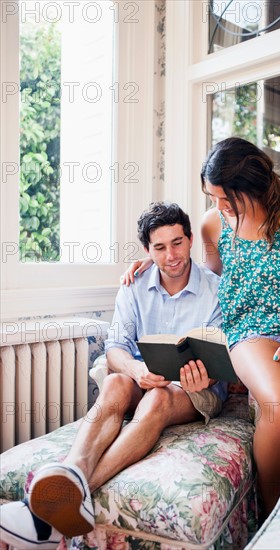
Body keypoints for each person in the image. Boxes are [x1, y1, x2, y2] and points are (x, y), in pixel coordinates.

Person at [122, 137, 280, 516]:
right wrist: (158, 263)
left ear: (253, 185)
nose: (219, 206)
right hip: (251, 332)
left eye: (226, 198)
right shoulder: (212, 225)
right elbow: (206, 278)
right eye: (212, 197)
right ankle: (275, 519)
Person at [0, 202, 227, 550]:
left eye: (177, 243)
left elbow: (218, 358)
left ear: (191, 239)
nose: (171, 255)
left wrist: (204, 377)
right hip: (142, 379)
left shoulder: (215, 290)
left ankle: (50, 506)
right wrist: (136, 369)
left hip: (194, 390)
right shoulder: (134, 285)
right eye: (160, 247)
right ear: (147, 250)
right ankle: (73, 470)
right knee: (115, 380)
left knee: (160, 397)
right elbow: (115, 348)